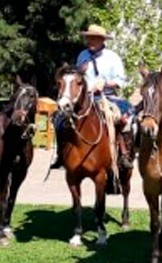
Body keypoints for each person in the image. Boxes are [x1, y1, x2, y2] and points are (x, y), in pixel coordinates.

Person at [51, 24, 130, 169]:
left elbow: (121, 81)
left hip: (105, 96)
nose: (89, 41)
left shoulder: (113, 57)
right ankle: (61, 155)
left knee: (118, 118)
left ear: (102, 40)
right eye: (88, 38)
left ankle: (123, 154)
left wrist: (104, 84)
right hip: (83, 98)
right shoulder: (82, 55)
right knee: (58, 118)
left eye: (93, 39)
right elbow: (77, 78)